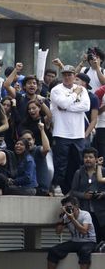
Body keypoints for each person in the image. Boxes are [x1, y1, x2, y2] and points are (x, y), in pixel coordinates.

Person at [40, 196, 97, 269]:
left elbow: (84, 231)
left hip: (88, 241)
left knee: (84, 251)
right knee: (54, 250)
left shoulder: (85, 214)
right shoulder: (66, 216)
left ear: (76, 206)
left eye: (70, 207)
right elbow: (58, 232)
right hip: (74, 241)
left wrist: (72, 219)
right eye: (66, 207)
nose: (69, 210)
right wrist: (62, 217)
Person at [50, 65, 91, 195]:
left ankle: (77, 188)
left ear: (74, 76)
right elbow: (62, 104)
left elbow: (86, 106)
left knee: (78, 162)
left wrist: (68, 107)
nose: (67, 77)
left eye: (70, 74)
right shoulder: (56, 90)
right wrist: (74, 96)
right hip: (61, 132)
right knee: (61, 163)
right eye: (65, 75)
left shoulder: (82, 89)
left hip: (78, 133)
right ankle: (57, 186)